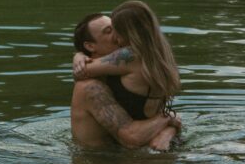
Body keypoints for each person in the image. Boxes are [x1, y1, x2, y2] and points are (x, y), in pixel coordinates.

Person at [71, 11, 181, 151]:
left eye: (117, 27)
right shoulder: (90, 87)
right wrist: (169, 118)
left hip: (127, 161)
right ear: (90, 46)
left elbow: (159, 120)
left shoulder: (126, 78)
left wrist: (168, 131)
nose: (118, 34)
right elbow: (132, 137)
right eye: (108, 31)